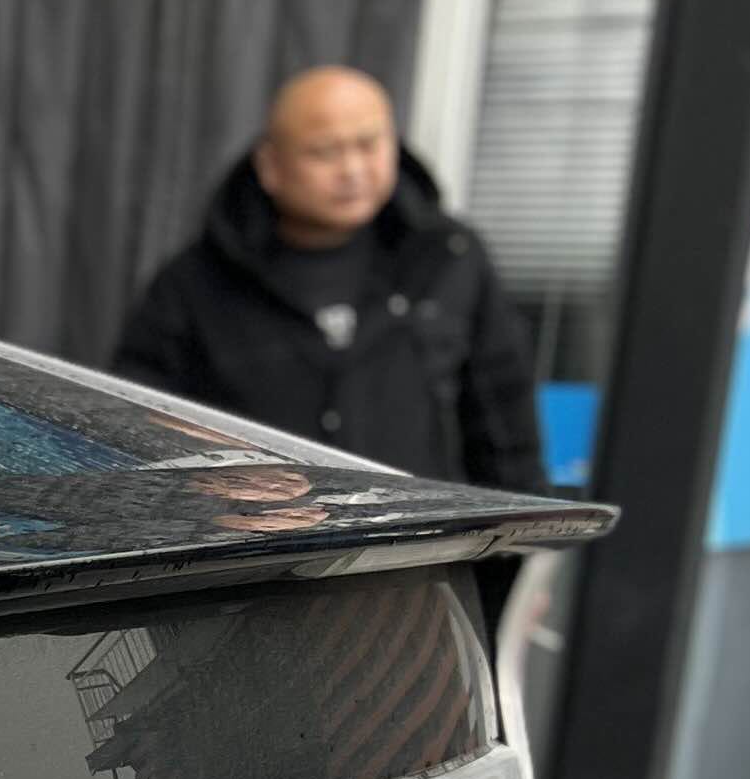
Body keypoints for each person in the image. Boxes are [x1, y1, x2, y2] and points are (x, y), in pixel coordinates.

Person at [109, 65, 548, 493]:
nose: (352, 170)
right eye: (324, 152)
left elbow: (505, 422)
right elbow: (136, 433)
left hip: (422, 535)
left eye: (369, 144)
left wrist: (518, 534)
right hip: (256, 536)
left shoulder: (448, 257)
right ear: (271, 165)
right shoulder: (196, 284)